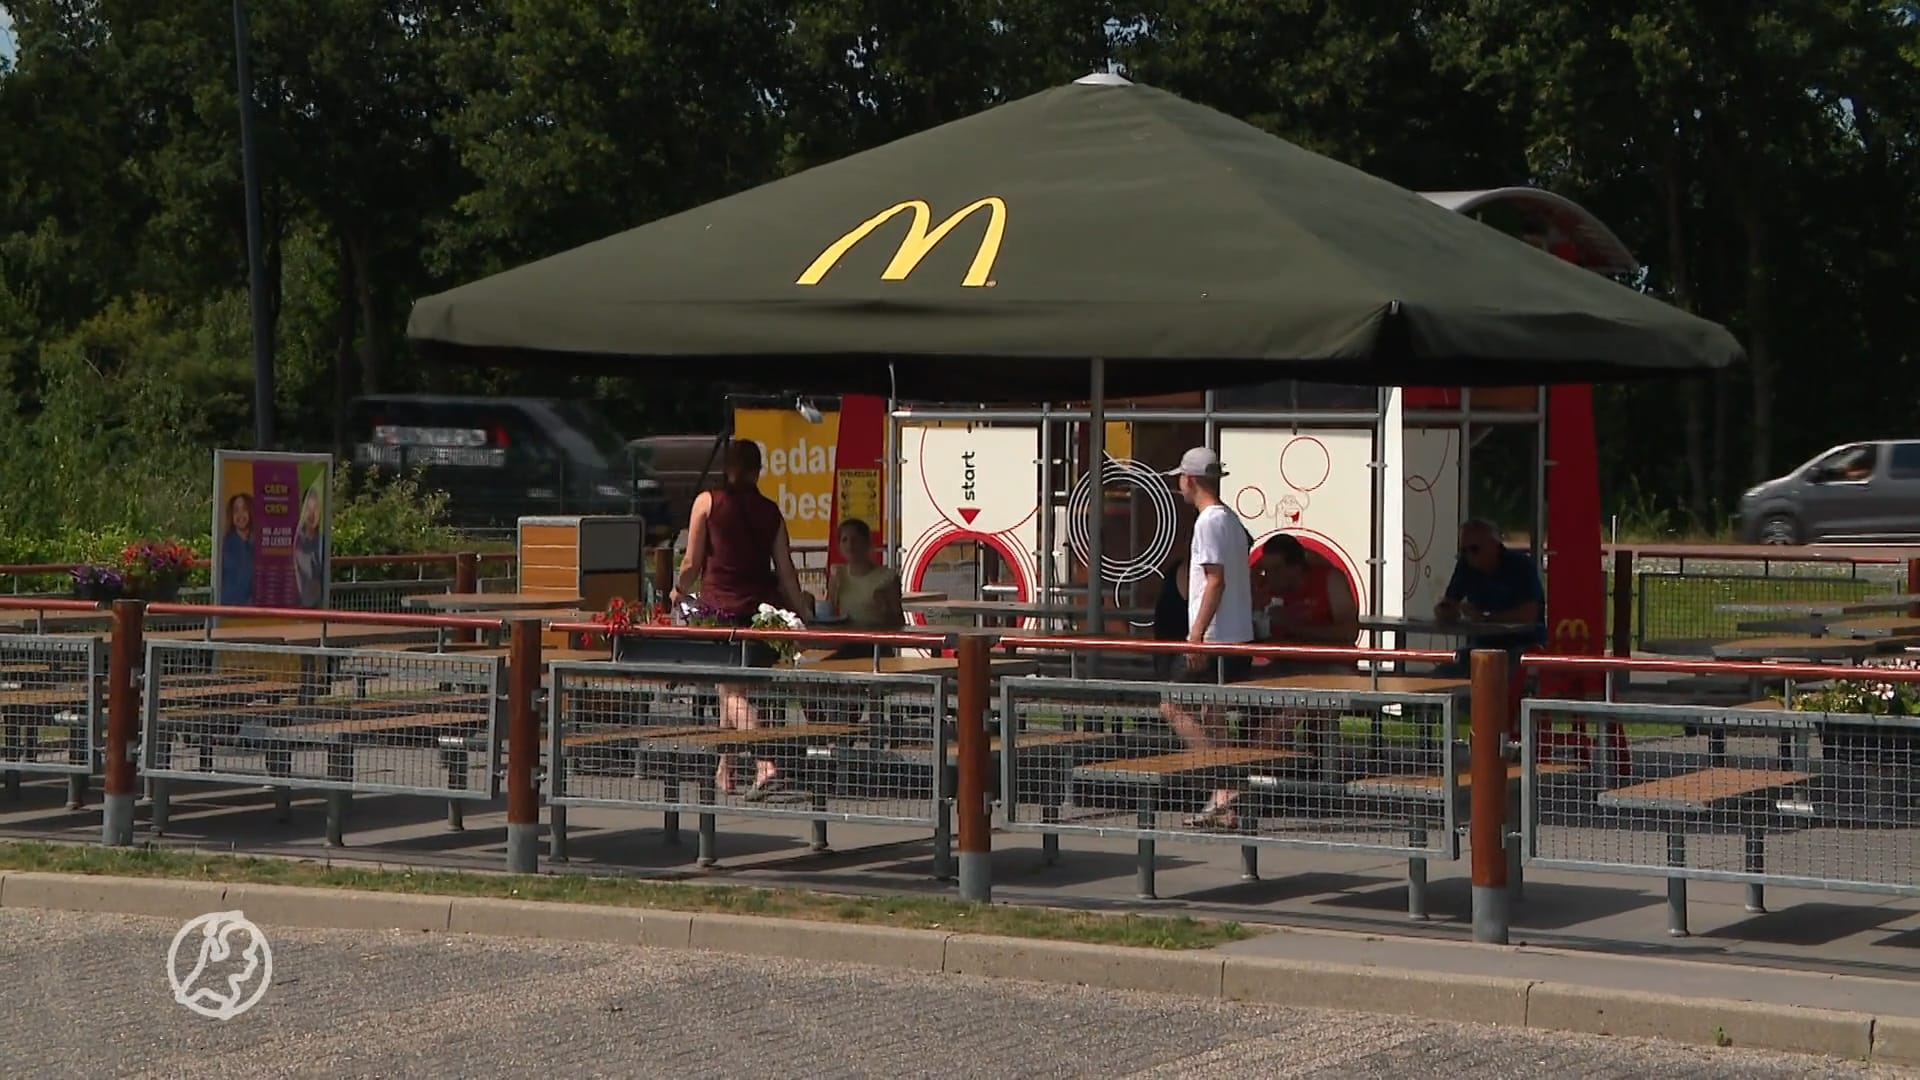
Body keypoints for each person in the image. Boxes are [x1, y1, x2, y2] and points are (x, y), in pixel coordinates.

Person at [672, 440, 813, 800]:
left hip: (720, 611)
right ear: (758, 470)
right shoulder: (771, 511)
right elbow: (786, 572)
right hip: (762, 614)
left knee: (731, 691)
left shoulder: (707, 502)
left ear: (726, 467)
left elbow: (690, 562)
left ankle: (766, 764)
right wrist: (805, 614)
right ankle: (727, 767)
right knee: (730, 688)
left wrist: (675, 592)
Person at [1159, 447, 1253, 829]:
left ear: (1191, 480)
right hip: (1233, 635)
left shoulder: (1209, 522)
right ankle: (1225, 799)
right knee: (1212, 714)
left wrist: (1195, 636)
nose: (1179, 485)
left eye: (1181, 478)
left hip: (1214, 637)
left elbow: (1215, 580)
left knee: (1172, 705)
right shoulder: (1229, 519)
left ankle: (1224, 789)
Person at [1433, 519, 1546, 677]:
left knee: (1490, 679)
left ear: (1493, 545)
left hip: (1521, 645)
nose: (1469, 556)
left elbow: (1530, 614)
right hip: (1481, 647)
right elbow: (1449, 601)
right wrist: (1447, 611)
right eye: (1463, 551)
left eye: (1474, 549)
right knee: (1440, 675)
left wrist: (1486, 617)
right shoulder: (1466, 566)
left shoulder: (1521, 566)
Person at [824, 518, 903, 653]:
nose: (850, 545)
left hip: (876, 646)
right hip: (845, 643)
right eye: (845, 540)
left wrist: (884, 607)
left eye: (855, 539)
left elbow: (899, 623)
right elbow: (829, 615)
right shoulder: (838, 574)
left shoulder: (886, 578)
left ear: (867, 543)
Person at [293, 480, 326, 609]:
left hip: (318, 607)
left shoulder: (322, 541)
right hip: (296, 607)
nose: (311, 514)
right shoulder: (295, 540)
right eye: (308, 508)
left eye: (315, 508)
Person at [218, 493, 256, 606]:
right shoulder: (226, 545)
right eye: (236, 510)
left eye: (244, 509)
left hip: (253, 612)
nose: (240, 515)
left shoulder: (257, 544)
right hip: (230, 610)